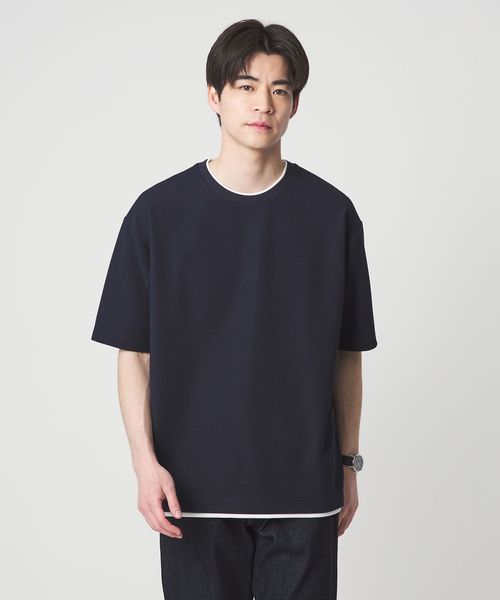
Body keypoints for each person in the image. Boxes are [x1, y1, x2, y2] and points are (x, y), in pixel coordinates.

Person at [91, 18, 377, 600]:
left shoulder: (332, 216)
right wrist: (145, 464)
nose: (263, 103)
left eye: (279, 89)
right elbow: (135, 355)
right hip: (192, 492)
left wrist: (348, 464)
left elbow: (347, 354)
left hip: (303, 493)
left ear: (294, 104)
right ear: (214, 96)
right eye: (246, 86)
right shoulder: (157, 214)